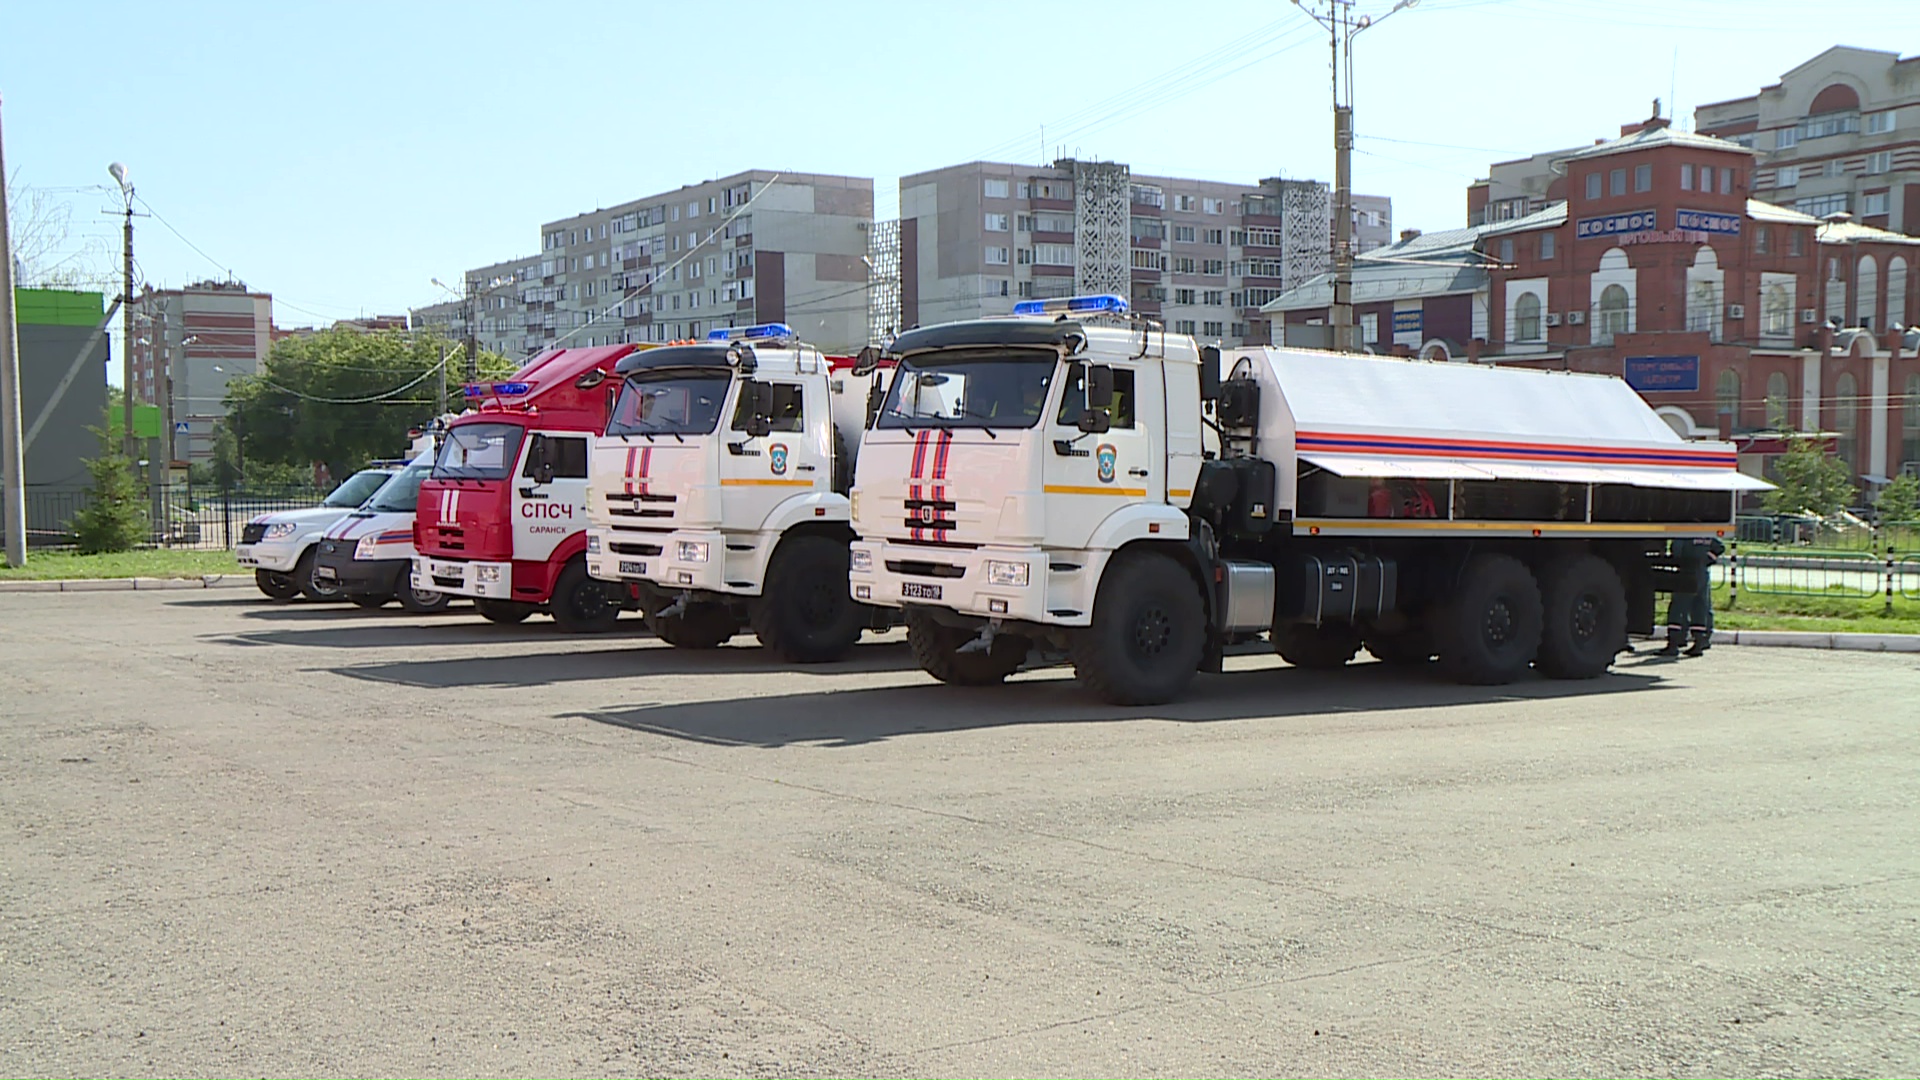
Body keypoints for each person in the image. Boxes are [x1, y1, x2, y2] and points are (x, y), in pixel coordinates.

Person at [1659, 535, 1726, 657]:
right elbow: (1720, 547)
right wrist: (1707, 560)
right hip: (1702, 573)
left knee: (1678, 608)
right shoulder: (1707, 533)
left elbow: (1676, 551)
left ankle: (1673, 643)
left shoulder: (1684, 534)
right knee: (1699, 607)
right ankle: (1698, 643)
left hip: (1686, 572)